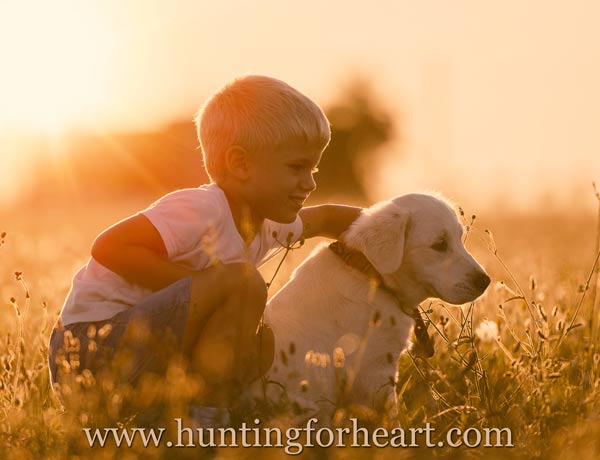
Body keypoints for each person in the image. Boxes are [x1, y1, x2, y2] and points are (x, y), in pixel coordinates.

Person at [48, 75, 362, 424]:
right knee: (242, 284)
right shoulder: (202, 209)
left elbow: (328, 218)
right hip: (89, 350)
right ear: (240, 164)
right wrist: (203, 286)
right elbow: (109, 246)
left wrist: (398, 229)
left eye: (314, 167)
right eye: (297, 167)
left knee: (261, 345)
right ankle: (205, 425)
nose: (311, 182)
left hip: (141, 354)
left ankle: (180, 414)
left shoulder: (268, 223)